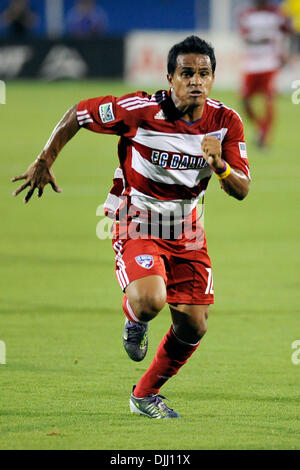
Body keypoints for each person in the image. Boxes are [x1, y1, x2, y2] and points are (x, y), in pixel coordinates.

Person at [11, 36, 251, 419]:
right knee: (150, 300)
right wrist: (45, 159)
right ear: (169, 77)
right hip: (136, 219)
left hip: (187, 231)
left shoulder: (226, 123)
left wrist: (219, 165)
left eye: (204, 74)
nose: (196, 81)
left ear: (213, 78)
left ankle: (144, 396)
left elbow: (242, 189)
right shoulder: (138, 110)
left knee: (194, 325)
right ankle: (135, 318)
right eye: (186, 73)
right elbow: (78, 113)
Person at [237, 0, 292, 147]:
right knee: (244, 99)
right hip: (252, 63)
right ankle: (260, 127)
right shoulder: (246, 14)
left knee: (268, 98)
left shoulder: (276, 13)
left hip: (269, 62)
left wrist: (284, 52)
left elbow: (287, 32)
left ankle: (265, 134)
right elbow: (243, 35)